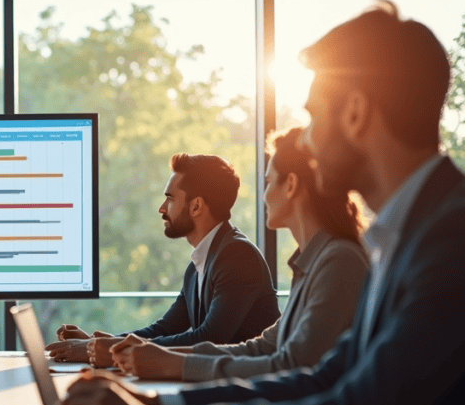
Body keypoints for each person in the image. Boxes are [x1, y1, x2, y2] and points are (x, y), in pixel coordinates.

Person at [61, 2, 465, 405]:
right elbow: (321, 378)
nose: (310, 138)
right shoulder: (401, 236)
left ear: (355, 113)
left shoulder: (448, 239)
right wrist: (156, 404)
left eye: (314, 113)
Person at [107, 127, 368, 381]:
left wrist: (170, 362)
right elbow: (262, 347)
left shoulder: (338, 261)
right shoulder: (314, 262)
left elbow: (290, 365)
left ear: (290, 185)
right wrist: (155, 356)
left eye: (267, 182)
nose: (263, 195)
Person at [47, 153, 280, 363]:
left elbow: (208, 339)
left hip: (242, 395)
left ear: (196, 206)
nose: (161, 208)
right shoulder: (200, 262)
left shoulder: (237, 257)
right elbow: (166, 329)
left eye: (170, 198)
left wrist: (107, 350)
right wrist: (94, 345)